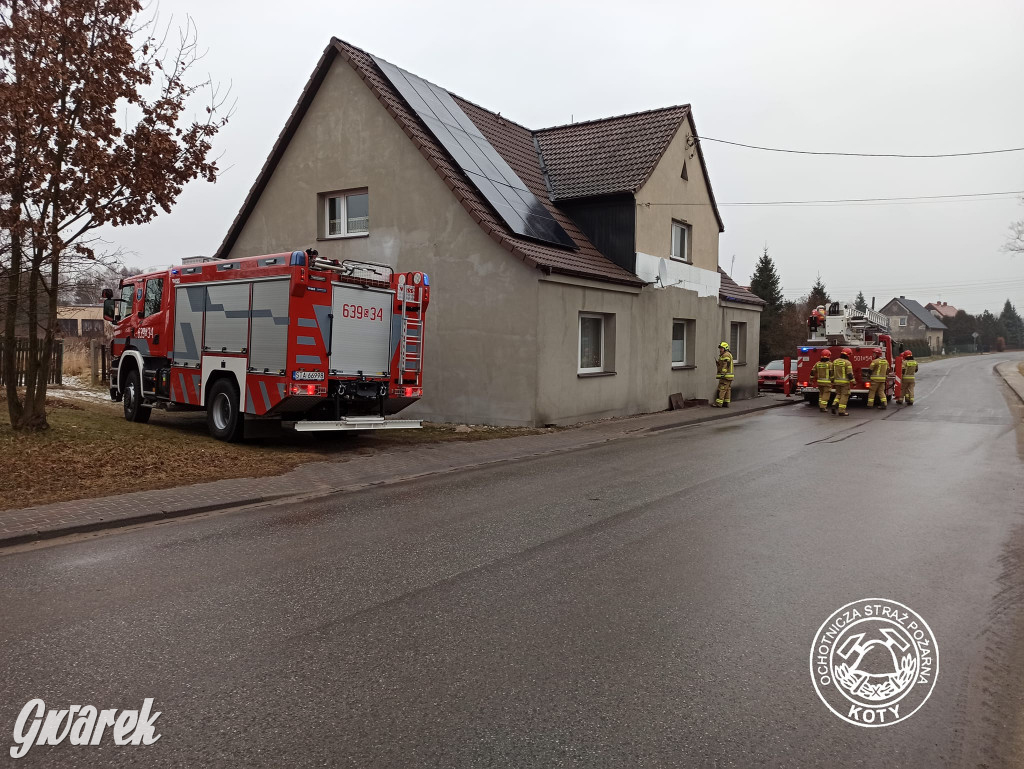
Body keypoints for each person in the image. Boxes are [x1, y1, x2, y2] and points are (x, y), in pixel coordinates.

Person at [831, 348, 855, 416]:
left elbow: (831, 371)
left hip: (836, 382)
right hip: (844, 383)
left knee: (838, 394)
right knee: (844, 396)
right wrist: (853, 381)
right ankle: (841, 411)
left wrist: (832, 380)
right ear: (848, 355)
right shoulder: (847, 363)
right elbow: (849, 374)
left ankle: (834, 404)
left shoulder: (835, 361)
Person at [713, 341, 734, 407]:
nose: (720, 350)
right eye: (720, 348)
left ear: (725, 348)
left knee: (721, 389)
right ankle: (726, 403)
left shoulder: (725, 355)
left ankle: (719, 403)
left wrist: (722, 373)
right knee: (727, 389)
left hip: (725, 376)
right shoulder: (727, 354)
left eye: (721, 348)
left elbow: (725, 365)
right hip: (728, 376)